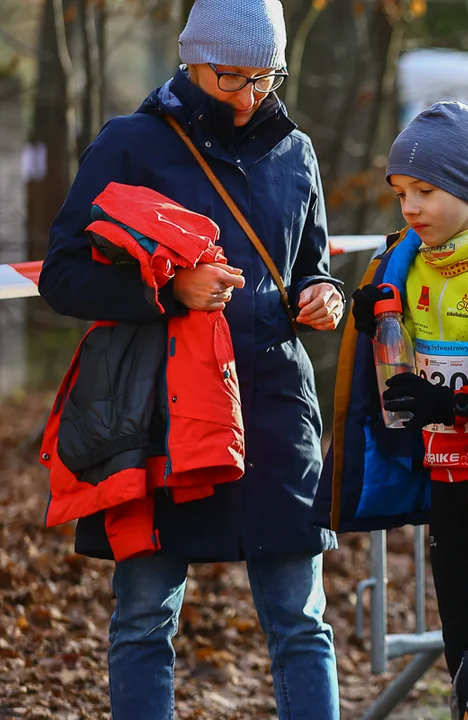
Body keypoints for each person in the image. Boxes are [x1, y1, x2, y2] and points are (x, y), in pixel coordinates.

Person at [37, 1, 343, 718]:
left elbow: (312, 263)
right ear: (190, 59)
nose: (248, 96)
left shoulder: (295, 150)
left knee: (302, 621)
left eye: (263, 78)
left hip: (272, 410)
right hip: (160, 412)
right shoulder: (131, 143)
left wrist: (322, 294)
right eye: (230, 76)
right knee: (145, 618)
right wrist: (170, 290)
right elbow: (63, 275)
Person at [313, 102, 468, 677]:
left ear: (467, 188)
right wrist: (373, 324)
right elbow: (393, 362)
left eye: (425, 191)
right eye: (401, 192)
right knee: (458, 626)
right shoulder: (399, 263)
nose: (410, 208)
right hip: (443, 475)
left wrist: (454, 402)